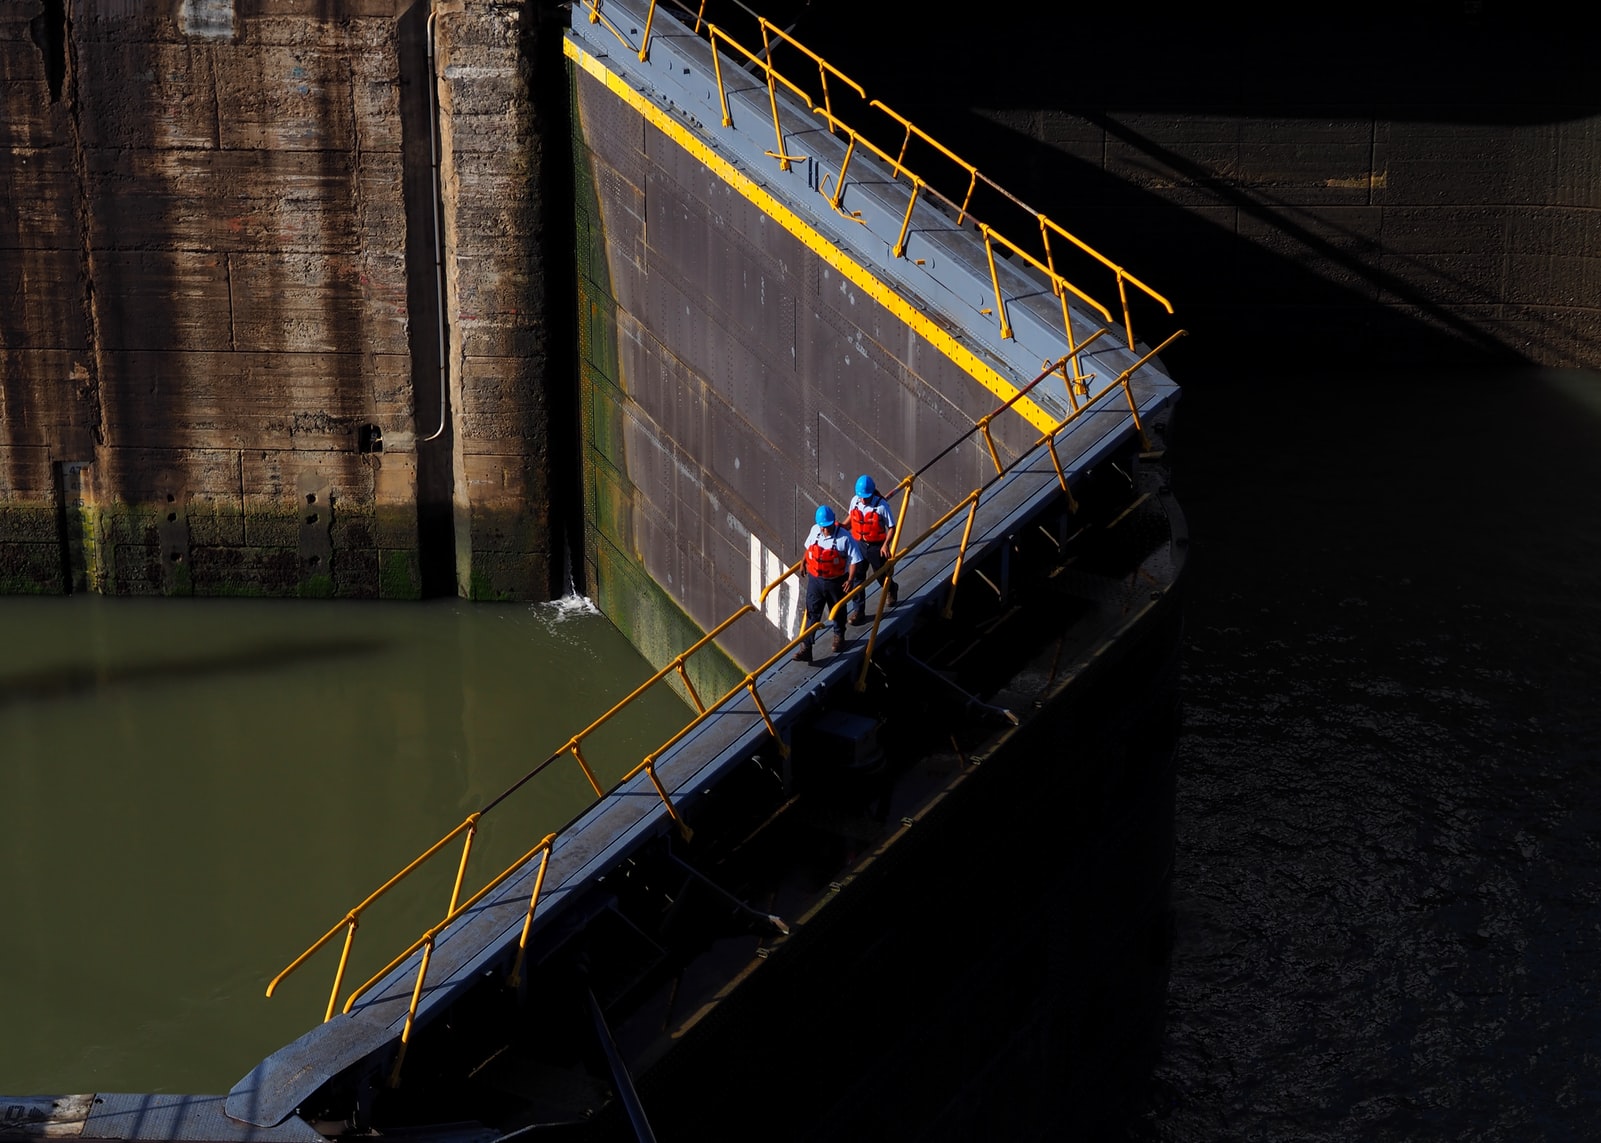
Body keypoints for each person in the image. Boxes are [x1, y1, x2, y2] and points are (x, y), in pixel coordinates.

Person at [793, 504, 863, 663]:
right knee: (812, 614)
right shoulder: (814, 531)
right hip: (815, 581)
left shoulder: (844, 537)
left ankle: (839, 636)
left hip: (836, 582)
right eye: (823, 527)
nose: (826, 529)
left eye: (828, 526)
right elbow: (809, 547)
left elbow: (855, 560)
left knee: (837, 611)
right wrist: (803, 562)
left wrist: (850, 579)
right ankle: (806, 648)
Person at [846, 474, 897, 625]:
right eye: (860, 496)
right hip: (859, 545)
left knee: (881, 575)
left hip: (876, 546)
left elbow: (892, 527)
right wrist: (841, 527)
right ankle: (858, 611)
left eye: (865, 497)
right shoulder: (855, 501)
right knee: (857, 578)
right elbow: (851, 519)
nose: (863, 500)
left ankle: (891, 589)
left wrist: (885, 544)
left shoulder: (881, 506)